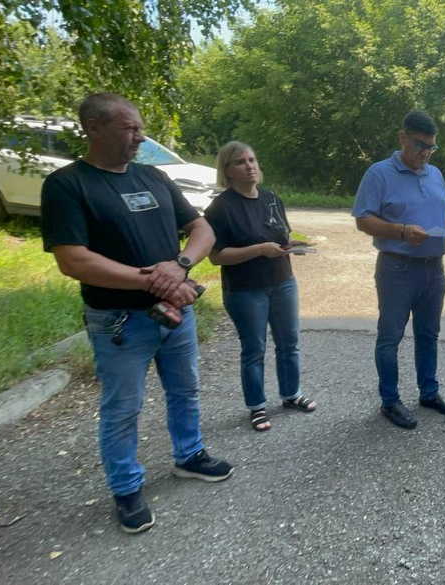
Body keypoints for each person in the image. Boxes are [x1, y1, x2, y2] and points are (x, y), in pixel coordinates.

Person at [40, 93, 233, 534]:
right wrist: (150, 280)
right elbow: (73, 260)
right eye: (129, 128)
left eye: (140, 127)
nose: (139, 136)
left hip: (174, 312)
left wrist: (179, 265)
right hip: (119, 322)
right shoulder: (68, 185)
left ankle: (189, 456)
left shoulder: (152, 175)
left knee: (186, 390)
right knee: (123, 408)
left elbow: (202, 228)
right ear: (94, 127)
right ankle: (127, 489)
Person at [352, 110, 445, 429]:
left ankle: (429, 393)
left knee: (429, 334)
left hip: (434, 268)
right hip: (397, 268)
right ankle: (390, 402)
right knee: (390, 337)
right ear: (402, 138)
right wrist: (403, 231)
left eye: (432, 147)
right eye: (420, 145)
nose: (426, 153)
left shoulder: (435, 174)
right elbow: (363, 219)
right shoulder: (379, 174)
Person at [204, 141, 317, 433]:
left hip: (282, 281)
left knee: (289, 343)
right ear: (227, 170)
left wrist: (291, 246)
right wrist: (258, 250)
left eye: (252, 159)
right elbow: (216, 256)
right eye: (241, 162)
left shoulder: (271, 198)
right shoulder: (221, 208)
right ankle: (256, 406)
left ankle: (291, 395)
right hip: (245, 289)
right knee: (254, 349)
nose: (250, 166)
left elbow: (281, 236)